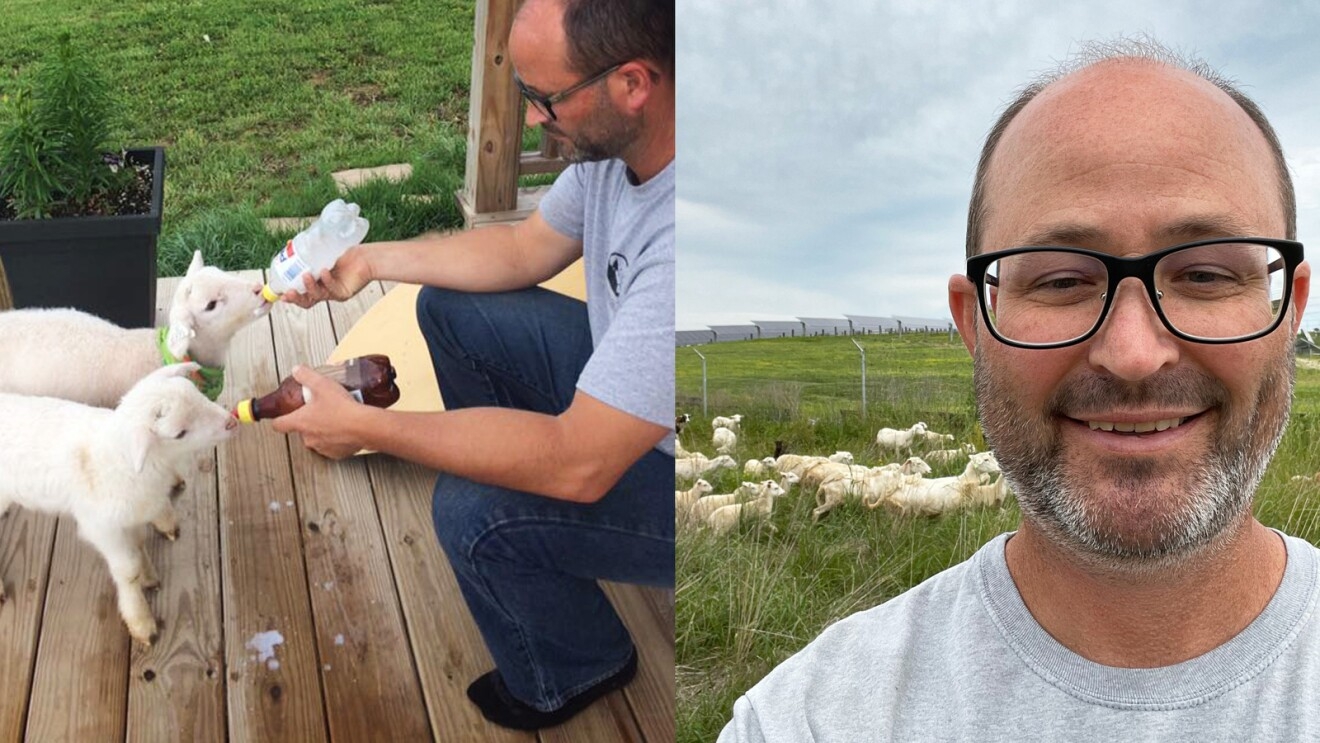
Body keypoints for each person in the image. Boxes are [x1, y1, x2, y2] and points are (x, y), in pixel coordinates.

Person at [719, 38, 1320, 740]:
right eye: (1062, 280)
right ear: (975, 323)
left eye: (1207, 274)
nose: (1133, 353)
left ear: (1289, 312)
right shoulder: (810, 720)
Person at [272, 0, 675, 731]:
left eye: (543, 100)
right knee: (452, 310)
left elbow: (576, 462)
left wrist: (369, 425)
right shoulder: (624, 146)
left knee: (473, 514)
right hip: (630, 413)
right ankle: (539, 543)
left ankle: (575, 663)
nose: (529, 121)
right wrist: (371, 261)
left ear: (633, 84)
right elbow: (522, 251)